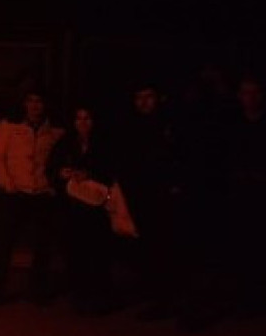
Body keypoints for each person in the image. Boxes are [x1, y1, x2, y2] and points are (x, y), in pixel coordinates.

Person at [0, 90, 65, 307]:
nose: (35, 106)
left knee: (42, 245)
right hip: (16, 194)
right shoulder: (9, 126)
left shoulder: (55, 131)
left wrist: (53, 186)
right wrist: (7, 184)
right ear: (23, 103)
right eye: (30, 101)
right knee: (4, 244)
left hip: (42, 195)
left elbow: (60, 161)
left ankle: (37, 291)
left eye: (39, 101)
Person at [116, 81, 185, 322]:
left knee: (163, 247)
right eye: (139, 97)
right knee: (143, 247)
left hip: (163, 197)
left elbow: (177, 159)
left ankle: (164, 299)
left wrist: (174, 186)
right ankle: (151, 290)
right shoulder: (131, 127)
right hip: (139, 196)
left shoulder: (170, 126)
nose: (144, 102)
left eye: (148, 96)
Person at [223, 75, 266, 315]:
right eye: (245, 92)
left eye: (255, 92)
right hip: (243, 197)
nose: (250, 98)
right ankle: (249, 297)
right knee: (246, 247)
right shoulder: (234, 126)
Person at [46, 104, 117, 314]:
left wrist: (90, 174)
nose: (83, 123)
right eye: (79, 119)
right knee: (76, 253)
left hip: (96, 208)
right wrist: (62, 173)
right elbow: (51, 168)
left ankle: (100, 298)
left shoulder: (104, 143)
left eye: (87, 118)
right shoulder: (65, 143)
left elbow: (112, 170)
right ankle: (80, 295)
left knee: (98, 253)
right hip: (73, 208)